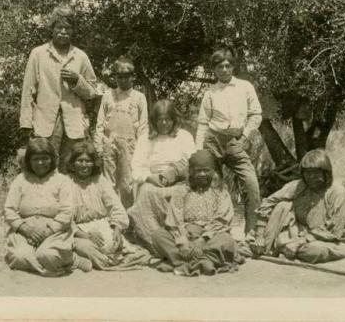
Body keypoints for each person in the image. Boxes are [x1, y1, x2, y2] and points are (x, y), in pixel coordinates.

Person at [19, 5, 99, 172]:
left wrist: (77, 81)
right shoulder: (38, 54)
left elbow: (92, 92)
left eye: (68, 28)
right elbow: (28, 91)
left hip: (74, 123)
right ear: (52, 29)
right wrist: (26, 123)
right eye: (59, 27)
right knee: (45, 167)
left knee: (71, 168)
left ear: (73, 31)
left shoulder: (81, 57)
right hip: (45, 122)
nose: (63, 31)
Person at [196, 47, 262, 235]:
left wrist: (245, 136)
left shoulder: (245, 87)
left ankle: (251, 232)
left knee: (251, 183)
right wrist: (199, 151)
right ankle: (216, 232)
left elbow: (256, 114)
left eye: (227, 66)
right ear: (214, 70)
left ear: (233, 66)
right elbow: (202, 123)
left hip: (236, 140)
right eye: (219, 67)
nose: (224, 70)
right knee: (213, 185)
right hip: (213, 141)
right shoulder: (210, 92)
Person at [249, 149, 345, 264]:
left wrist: (300, 242)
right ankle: (268, 244)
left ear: (326, 173)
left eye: (316, 172)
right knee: (282, 205)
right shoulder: (298, 186)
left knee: (316, 251)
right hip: (299, 233)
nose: (311, 177)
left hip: (329, 239)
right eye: (307, 172)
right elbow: (268, 202)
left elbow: (334, 231)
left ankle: (278, 247)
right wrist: (260, 234)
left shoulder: (337, 192)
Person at [4, 138, 91, 276]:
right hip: (25, 230)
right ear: (28, 160)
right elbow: (9, 210)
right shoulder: (20, 180)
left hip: (55, 230)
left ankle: (69, 259)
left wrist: (46, 232)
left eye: (45, 158)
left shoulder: (62, 180)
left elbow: (66, 213)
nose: (40, 163)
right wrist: (26, 230)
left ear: (52, 160)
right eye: (35, 159)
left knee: (47, 255)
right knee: (20, 256)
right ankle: (62, 265)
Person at [150, 150, 242, 276]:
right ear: (190, 171)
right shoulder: (182, 190)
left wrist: (202, 240)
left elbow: (221, 220)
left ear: (213, 170)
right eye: (198, 170)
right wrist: (183, 243)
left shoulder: (221, 192)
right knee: (158, 235)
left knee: (226, 241)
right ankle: (204, 261)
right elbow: (175, 220)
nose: (202, 174)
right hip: (186, 234)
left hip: (211, 236)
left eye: (206, 170)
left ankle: (183, 263)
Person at [65, 141, 151, 270]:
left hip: (102, 225)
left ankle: (115, 257)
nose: (84, 165)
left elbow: (115, 206)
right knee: (88, 248)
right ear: (72, 163)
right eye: (80, 160)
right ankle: (106, 261)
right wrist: (86, 235)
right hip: (77, 231)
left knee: (111, 244)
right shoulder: (65, 183)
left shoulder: (100, 181)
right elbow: (64, 216)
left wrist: (116, 228)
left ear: (94, 163)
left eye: (88, 161)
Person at [127, 99, 196, 253]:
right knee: (146, 193)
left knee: (179, 194)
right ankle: (152, 239)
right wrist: (150, 177)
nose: (164, 123)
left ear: (174, 119)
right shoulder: (146, 138)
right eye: (160, 120)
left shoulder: (184, 136)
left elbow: (192, 162)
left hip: (179, 180)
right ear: (153, 120)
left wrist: (173, 174)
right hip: (153, 180)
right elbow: (137, 167)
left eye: (168, 119)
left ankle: (179, 237)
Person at [94, 57, 148, 208]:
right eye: (119, 76)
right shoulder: (108, 95)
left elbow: (143, 126)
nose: (123, 80)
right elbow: (100, 123)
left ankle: (127, 216)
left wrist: (142, 149)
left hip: (130, 145)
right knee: (108, 181)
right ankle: (111, 216)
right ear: (115, 77)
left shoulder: (139, 97)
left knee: (126, 183)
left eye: (126, 76)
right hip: (109, 143)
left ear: (133, 77)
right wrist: (99, 145)